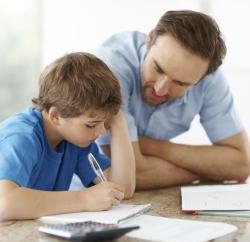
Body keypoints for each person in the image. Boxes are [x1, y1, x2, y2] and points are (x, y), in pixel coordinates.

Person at [95, 10, 250, 189]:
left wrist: (157, 147)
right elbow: (131, 174)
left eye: (180, 83)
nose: (160, 90)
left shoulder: (207, 76)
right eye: (158, 68)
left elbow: (241, 164)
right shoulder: (110, 68)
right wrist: (210, 170)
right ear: (149, 40)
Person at [0, 52, 135, 221]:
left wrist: (119, 123)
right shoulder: (22, 137)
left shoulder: (75, 140)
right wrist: (83, 199)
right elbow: (4, 203)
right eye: (92, 124)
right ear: (56, 116)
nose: (101, 131)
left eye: (104, 122)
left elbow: (121, 190)